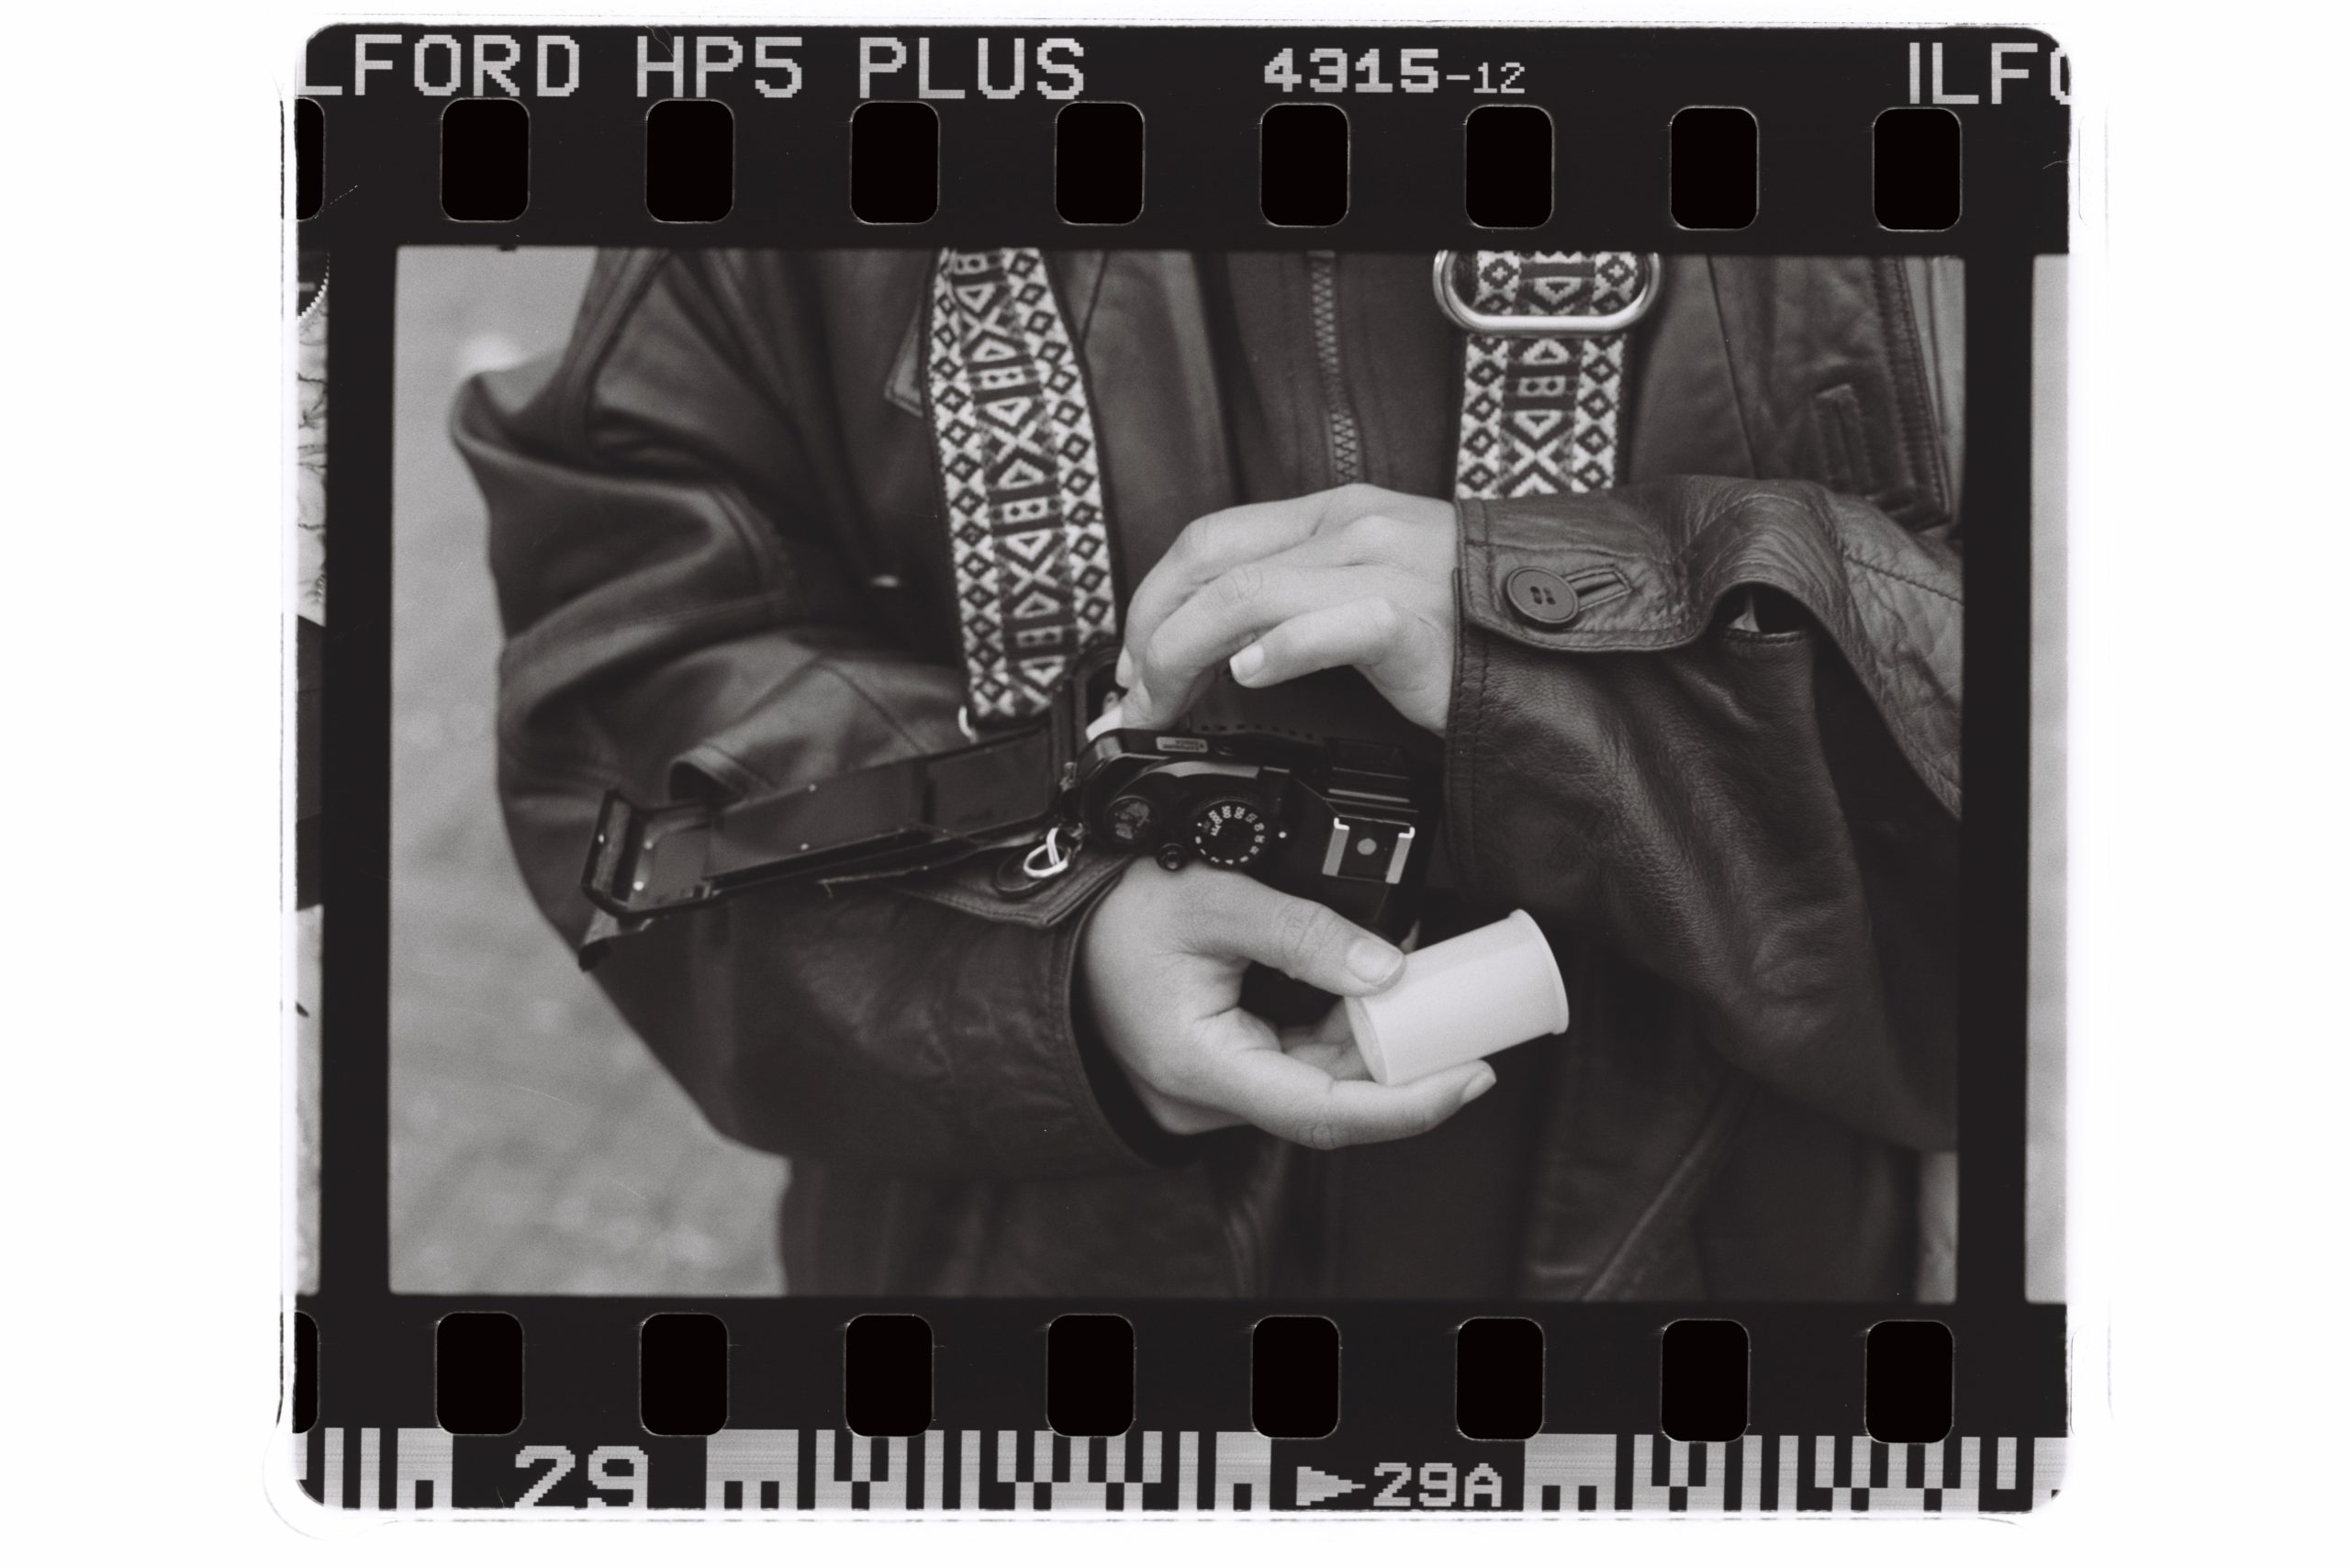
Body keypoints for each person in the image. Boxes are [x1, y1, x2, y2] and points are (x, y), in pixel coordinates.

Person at [455, 250, 1962, 1299]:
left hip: (1717, 1286)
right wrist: (1046, 949)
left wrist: (1571, 638)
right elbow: (632, 668)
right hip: (1025, 1306)